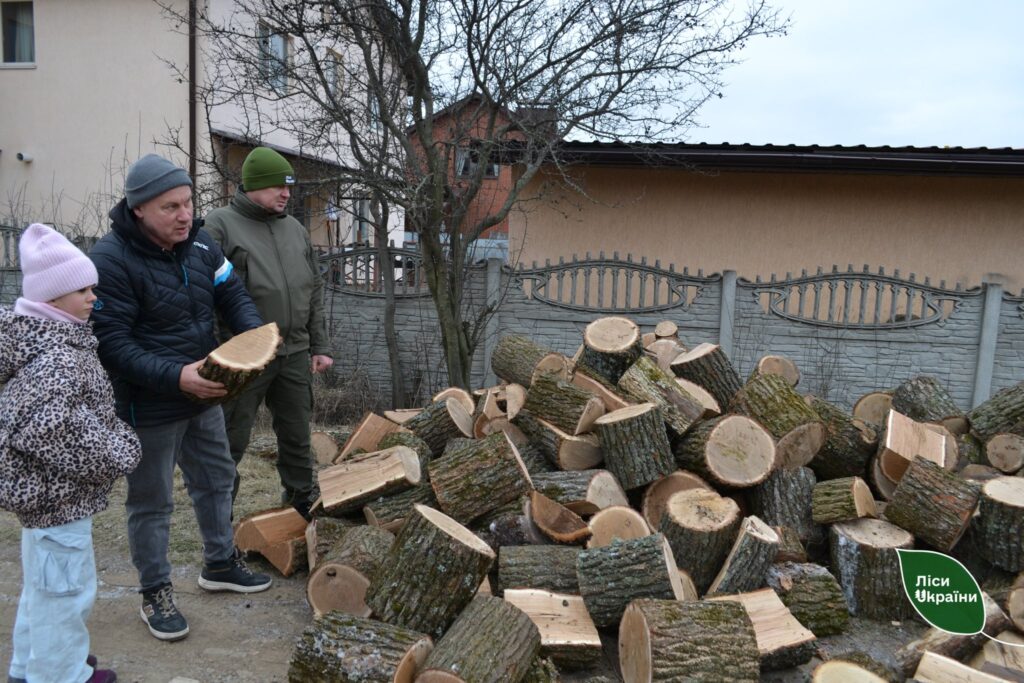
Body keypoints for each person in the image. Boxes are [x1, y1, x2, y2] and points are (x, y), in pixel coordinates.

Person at [88, 154, 272, 643]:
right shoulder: (110, 259)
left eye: (188, 202)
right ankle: (155, 592)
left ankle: (218, 563)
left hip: (203, 391)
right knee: (152, 503)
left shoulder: (202, 244)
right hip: (148, 403)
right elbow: (113, 345)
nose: (185, 214)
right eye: (171, 206)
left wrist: (252, 336)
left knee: (217, 478)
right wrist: (176, 378)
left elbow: (232, 293)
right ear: (140, 210)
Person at [1, 223, 141, 683]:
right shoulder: (58, 353)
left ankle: (31, 668)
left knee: (44, 589)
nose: (91, 298)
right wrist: (118, 448)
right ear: (50, 298)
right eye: (81, 289)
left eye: (92, 288)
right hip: (59, 498)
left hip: (48, 497)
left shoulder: (50, 339)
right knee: (66, 591)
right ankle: (61, 676)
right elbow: (47, 429)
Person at [204, 147, 333, 521]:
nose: (287, 194)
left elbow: (314, 288)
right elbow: (202, 294)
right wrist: (215, 348)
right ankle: (219, 524)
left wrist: (319, 344)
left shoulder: (294, 229)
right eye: (278, 186)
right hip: (241, 355)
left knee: (297, 437)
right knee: (229, 441)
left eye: (289, 187)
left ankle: (300, 507)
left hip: (293, 352)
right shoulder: (220, 226)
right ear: (253, 187)